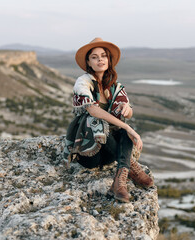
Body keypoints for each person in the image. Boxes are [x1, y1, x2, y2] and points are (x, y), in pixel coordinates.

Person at [63, 37, 153, 203]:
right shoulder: (83, 82)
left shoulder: (115, 86)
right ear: (88, 63)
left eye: (103, 56)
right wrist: (129, 129)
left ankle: (119, 183)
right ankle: (130, 165)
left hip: (110, 155)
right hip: (89, 152)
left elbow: (128, 112)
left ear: (109, 60)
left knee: (122, 129)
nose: (100, 60)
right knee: (101, 123)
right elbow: (93, 110)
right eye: (94, 57)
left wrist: (128, 110)